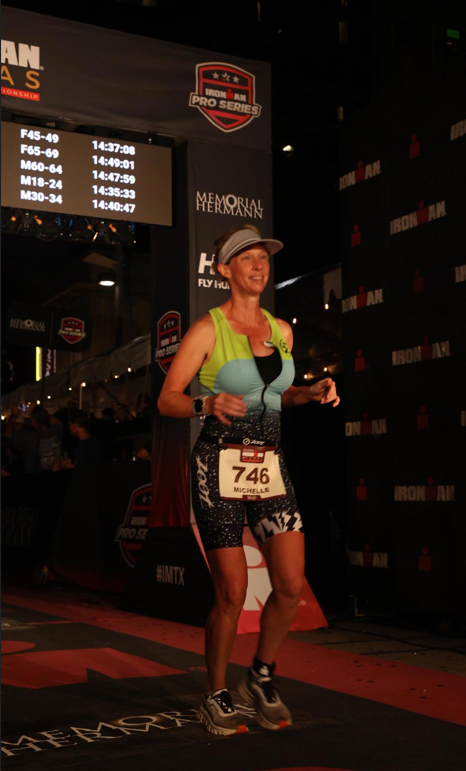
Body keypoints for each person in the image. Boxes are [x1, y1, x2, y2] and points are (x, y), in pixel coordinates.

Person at [158, 224, 340, 736]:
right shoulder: (207, 330)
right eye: (247, 258)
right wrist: (206, 403)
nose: (259, 265)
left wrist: (309, 393)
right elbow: (167, 399)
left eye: (263, 257)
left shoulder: (281, 331)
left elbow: (279, 396)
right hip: (218, 464)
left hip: (269, 465)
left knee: (290, 584)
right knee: (232, 593)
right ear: (224, 270)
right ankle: (216, 692)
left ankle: (258, 676)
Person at [7, 404, 63, 473]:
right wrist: (42, 413)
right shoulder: (56, 432)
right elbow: (57, 422)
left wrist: (14, 415)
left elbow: (8, 433)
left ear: (33, 421)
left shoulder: (28, 438)